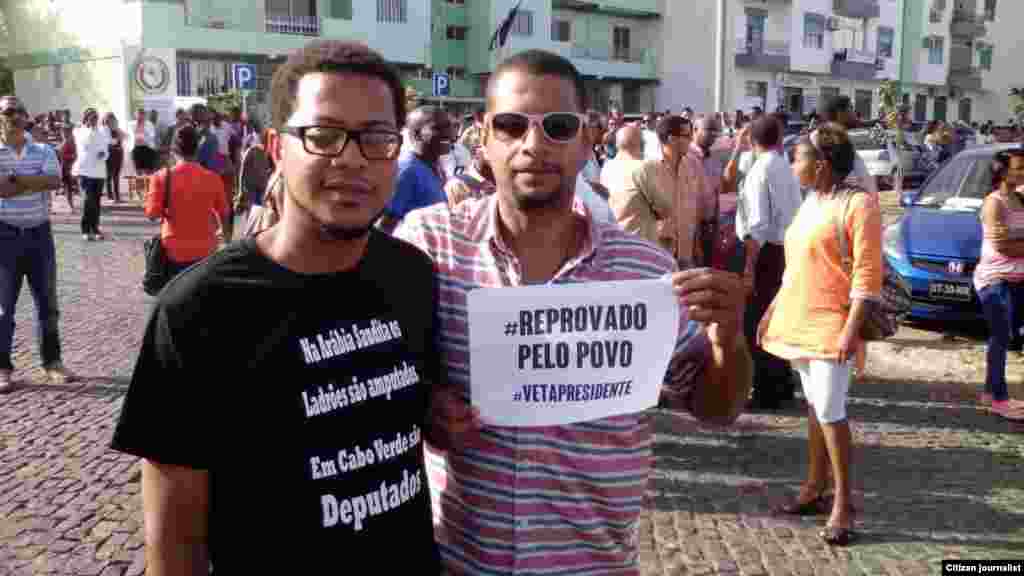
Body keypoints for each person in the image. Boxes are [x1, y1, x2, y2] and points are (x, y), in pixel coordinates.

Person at [395, 49, 751, 574]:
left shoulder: (646, 271)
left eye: (557, 127)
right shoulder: (429, 246)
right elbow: (382, 380)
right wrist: (426, 407)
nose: (533, 145)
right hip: (462, 562)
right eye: (512, 126)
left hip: (595, 564)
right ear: (484, 137)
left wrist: (728, 340)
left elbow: (715, 410)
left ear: (588, 140)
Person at [110, 39, 442, 574]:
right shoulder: (198, 309)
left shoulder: (413, 274)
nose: (351, 158)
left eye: (376, 138)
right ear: (276, 146)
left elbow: (408, 415)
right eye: (324, 135)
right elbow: (174, 549)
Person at [759, 125, 883, 545]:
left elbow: (867, 274)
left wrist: (852, 329)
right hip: (799, 318)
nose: (793, 164)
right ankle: (814, 488)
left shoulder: (859, 203)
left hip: (834, 321)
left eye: (799, 157)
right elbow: (796, 264)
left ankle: (844, 504)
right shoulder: (812, 200)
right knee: (814, 408)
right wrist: (773, 308)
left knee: (830, 411)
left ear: (822, 164)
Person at [0, 96, 77, 392]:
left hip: (39, 235)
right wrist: (33, 180)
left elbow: (55, 181)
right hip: (5, 236)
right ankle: (3, 367)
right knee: (4, 308)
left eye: (20, 111)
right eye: (9, 112)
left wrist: (14, 181)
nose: (16, 116)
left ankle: (52, 363)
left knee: (48, 304)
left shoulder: (43, 149)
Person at [737, 115, 803, 410]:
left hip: (766, 253)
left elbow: (757, 225)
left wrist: (749, 267)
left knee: (757, 321)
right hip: (786, 249)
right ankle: (782, 382)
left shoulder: (760, 170)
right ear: (779, 139)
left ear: (752, 141)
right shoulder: (784, 167)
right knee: (777, 318)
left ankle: (765, 388)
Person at [973, 149, 1024, 420]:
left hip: (1017, 280)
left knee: (1004, 337)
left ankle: (989, 394)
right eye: (1018, 168)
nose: (1023, 172)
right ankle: (1000, 398)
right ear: (1002, 172)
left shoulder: (1019, 199)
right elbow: (1003, 246)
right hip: (994, 279)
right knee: (1001, 336)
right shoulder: (994, 203)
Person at [144, 124, 230, 279]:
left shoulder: (160, 177)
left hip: (173, 250)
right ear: (197, 149)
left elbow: (152, 214)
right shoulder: (213, 178)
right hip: (206, 250)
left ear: (173, 150)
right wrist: (224, 239)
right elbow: (224, 212)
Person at [634, 115, 709, 265]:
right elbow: (636, 216)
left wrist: (697, 244)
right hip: (660, 255)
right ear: (671, 139)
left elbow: (694, 209)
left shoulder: (691, 165)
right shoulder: (646, 170)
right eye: (687, 136)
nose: (691, 141)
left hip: (687, 254)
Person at [377, 105, 452, 234]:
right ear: (417, 135)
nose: (448, 133)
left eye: (448, 127)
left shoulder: (433, 167)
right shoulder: (406, 170)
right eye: (438, 128)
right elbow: (384, 227)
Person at [604, 123, 667, 246]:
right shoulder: (641, 167)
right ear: (641, 144)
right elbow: (664, 208)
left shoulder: (607, 167)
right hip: (640, 243)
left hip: (616, 240)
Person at [817, 96, 877, 194]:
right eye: (851, 108)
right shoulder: (834, 139)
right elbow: (840, 179)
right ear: (840, 113)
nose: (854, 112)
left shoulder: (835, 135)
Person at [691, 115, 729, 267]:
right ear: (695, 130)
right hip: (692, 229)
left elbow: (716, 195)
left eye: (716, 131)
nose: (714, 135)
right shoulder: (686, 158)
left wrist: (718, 225)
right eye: (709, 130)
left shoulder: (715, 159)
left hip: (710, 227)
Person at [72, 107, 110, 241]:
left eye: (96, 117)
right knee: (88, 200)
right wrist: (89, 128)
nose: (94, 120)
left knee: (97, 202)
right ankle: (85, 229)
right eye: (92, 117)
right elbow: (85, 143)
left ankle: (95, 228)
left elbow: (106, 149)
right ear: (86, 118)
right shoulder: (79, 131)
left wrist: (103, 154)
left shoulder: (101, 132)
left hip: (99, 171)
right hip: (85, 171)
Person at [103, 113, 127, 203]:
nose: (111, 122)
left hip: (118, 153)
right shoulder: (105, 130)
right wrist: (117, 139)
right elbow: (109, 142)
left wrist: (117, 131)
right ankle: (110, 196)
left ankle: (117, 196)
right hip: (110, 154)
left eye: (113, 120)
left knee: (116, 175)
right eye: (109, 120)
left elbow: (126, 136)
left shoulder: (117, 129)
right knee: (109, 175)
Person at [59, 125, 76, 211]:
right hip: (66, 166)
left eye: (65, 132)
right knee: (68, 187)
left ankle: (71, 205)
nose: (63, 133)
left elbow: (74, 154)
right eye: (63, 132)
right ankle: (70, 205)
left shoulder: (70, 141)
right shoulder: (66, 141)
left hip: (69, 167)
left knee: (69, 187)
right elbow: (62, 154)